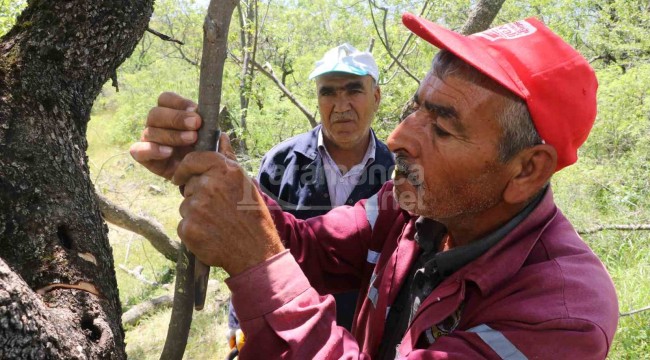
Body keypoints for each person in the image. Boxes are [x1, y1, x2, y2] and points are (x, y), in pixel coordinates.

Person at [130, 13, 619, 359]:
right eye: (416, 109)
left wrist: (255, 259)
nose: (398, 137)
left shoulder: (562, 316)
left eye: (443, 127)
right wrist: (220, 179)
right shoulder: (408, 207)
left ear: (527, 170)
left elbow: (271, 253)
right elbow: (308, 245)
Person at [232, 43, 394, 333]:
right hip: (291, 328)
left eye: (354, 90)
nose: (341, 105)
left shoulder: (397, 173)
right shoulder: (281, 162)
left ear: (377, 96)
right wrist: (239, 322)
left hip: (364, 335)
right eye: (328, 92)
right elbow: (250, 243)